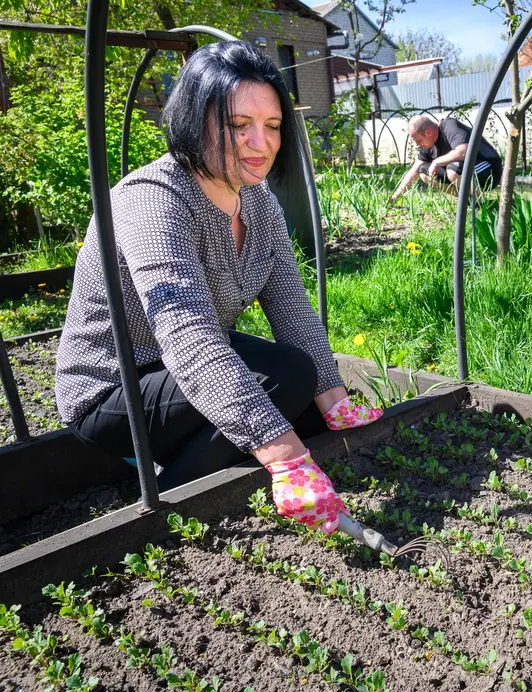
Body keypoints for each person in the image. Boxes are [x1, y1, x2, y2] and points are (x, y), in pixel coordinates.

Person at [55, 41, 381, 533]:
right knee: (284, 382)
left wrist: (334, 402)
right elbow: (187, 333)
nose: (261, 142)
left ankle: (197, 463)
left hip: (180, 370)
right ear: (194, 120)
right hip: (117, 387)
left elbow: (291, 305)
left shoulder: (258, 202)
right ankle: (165, 505)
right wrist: (287, 457)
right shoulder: (152, 199)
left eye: (272, 126)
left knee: (304, 384)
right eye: (237, 125)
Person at [389, 114, 503, 203]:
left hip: (489, 168)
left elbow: (464, 152)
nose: (418, 145)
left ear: (427, 133)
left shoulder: (449, 126)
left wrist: (437, 162)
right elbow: (413, 171)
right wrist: (395, 197)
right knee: (423, 171)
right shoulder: (428, 145)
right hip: (466, 172)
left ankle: (482, 203)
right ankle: (467, 199)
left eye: (418, 140)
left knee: (452, 170)